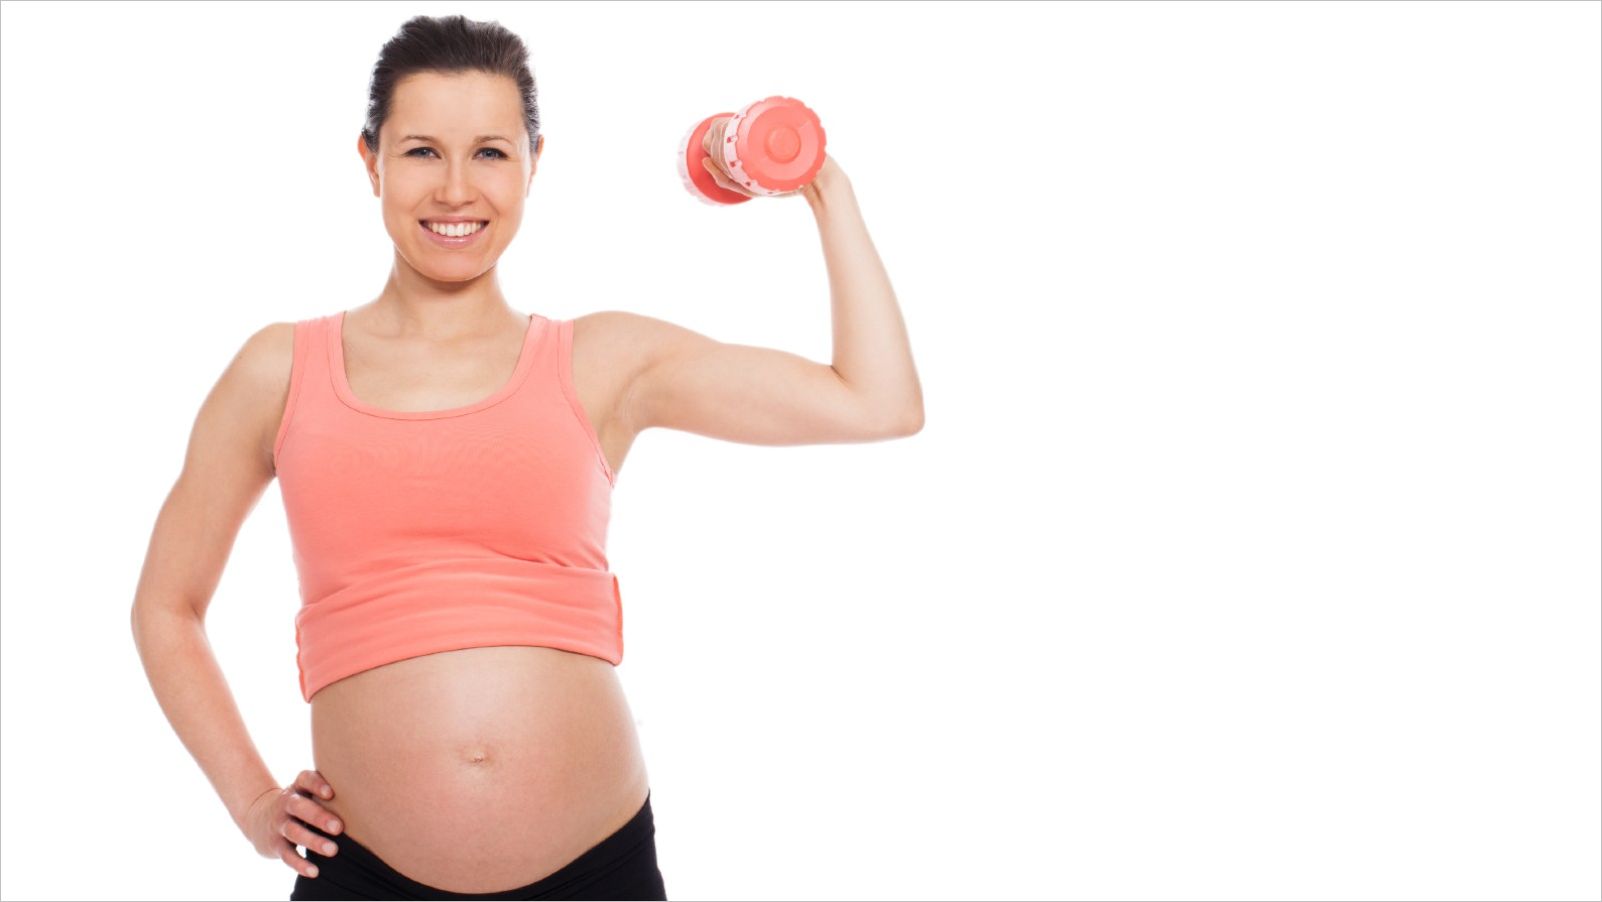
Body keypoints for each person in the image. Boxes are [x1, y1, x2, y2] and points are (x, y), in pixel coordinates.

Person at [128, 13, 923, 902]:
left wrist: (824, 187)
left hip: (595, 868)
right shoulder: (279, 368)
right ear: (371, 161)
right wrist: (250, 800)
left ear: (535, 165)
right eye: (423, 151)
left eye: (492, 154)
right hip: (365, 875)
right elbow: (168, 606)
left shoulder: (605, 361)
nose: (456, 189)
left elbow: (878, 403)